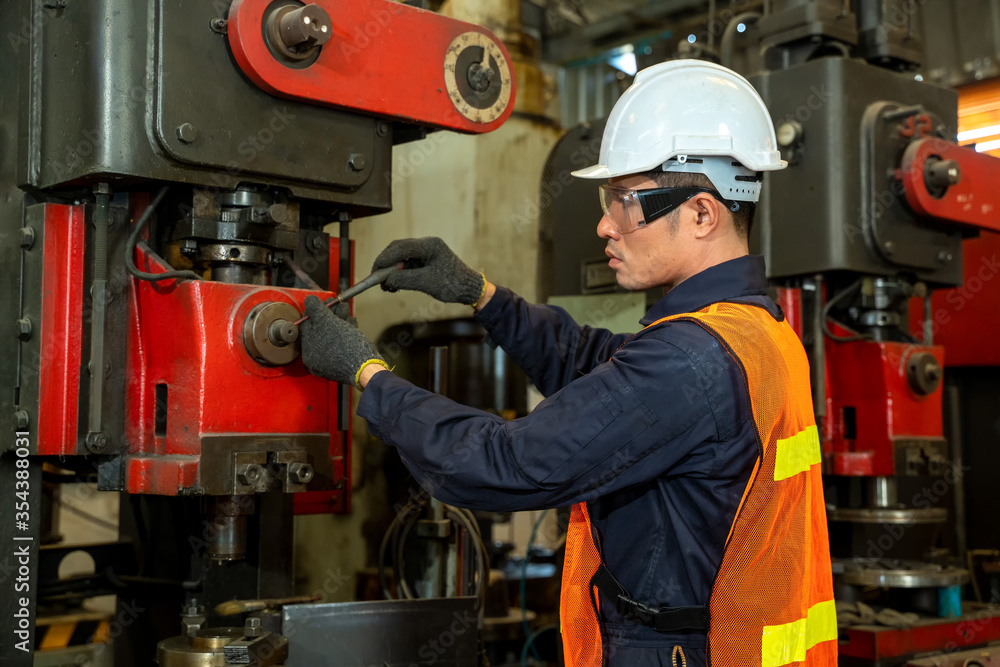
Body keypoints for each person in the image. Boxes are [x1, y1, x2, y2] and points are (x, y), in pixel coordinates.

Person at [300, 60, 835, 666]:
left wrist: (367, 375)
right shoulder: (750, 332)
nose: (605, 225)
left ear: (703, 213)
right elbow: (591, 363)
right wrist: (480, 294)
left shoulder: (691, 359)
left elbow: (507, 465)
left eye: (625, 201)